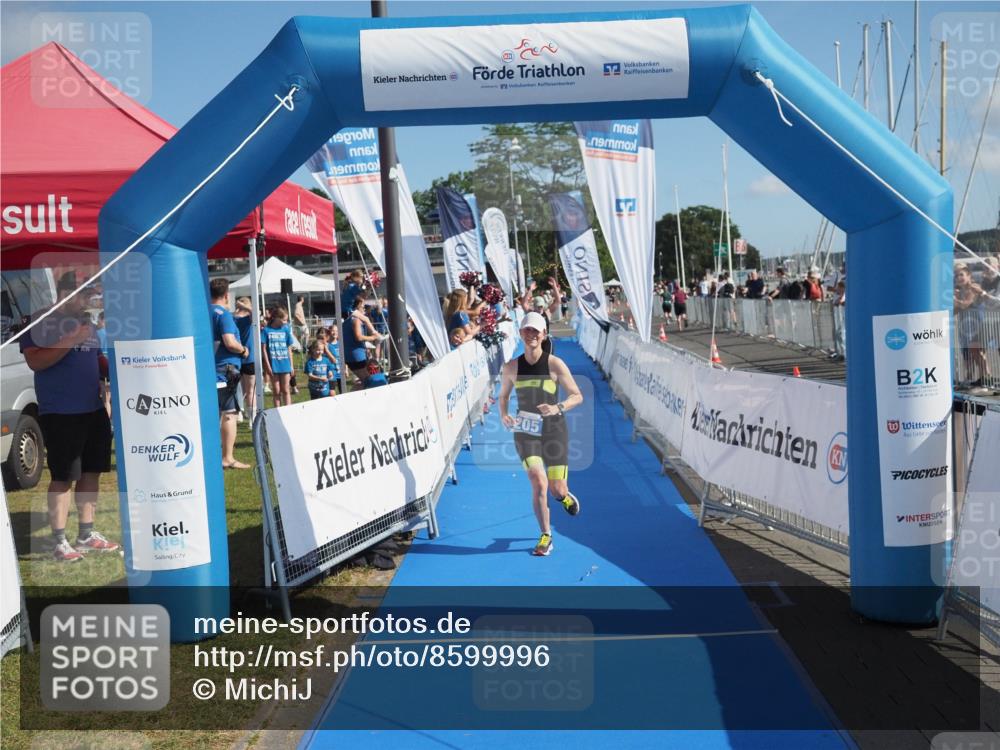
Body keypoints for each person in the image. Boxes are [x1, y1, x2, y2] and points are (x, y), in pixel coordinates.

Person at [20, 272, 120, 560]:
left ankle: (86, 534)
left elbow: (95, 359)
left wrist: (114, 368)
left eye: (91, 295)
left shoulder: (86, 323)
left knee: (91, 472)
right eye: (84, 294)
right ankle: (59, 542)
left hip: (93, 409)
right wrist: (73, 337)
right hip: (62, 413)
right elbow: (36, 361)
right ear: (64, 294)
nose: (89, 300)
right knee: (63, 476)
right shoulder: (40, 321)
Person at [498, 312, 583, 557]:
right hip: (526, 431)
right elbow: (502, 396)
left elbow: (577, 395)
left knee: (556, 489)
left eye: (536, 331)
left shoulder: (555, 364)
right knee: (538, 480)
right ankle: (546, 535)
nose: (532, 335)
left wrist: (557, 407)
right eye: (527, 330)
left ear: (544, 334)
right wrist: (504, 414)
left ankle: (564, 496)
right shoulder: (512, 367)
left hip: (554, 430)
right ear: (521, 334)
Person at [210, 279, 251, 469]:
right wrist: (243, 350)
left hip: (210, 368)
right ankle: (227, 457)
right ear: (226, 295)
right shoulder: (223, 315)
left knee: (213, 413)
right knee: (229, 413)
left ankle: (214, 455)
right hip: (225, 370)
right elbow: (229, 342)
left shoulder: (203, 312)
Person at [342, 292, 385, 386]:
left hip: (352, 356)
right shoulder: (356, 320)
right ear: (357, 307)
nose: (364, 308)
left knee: (365, 381)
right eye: (363, 306)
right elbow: (359, 337)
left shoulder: (348, 320)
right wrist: (373, 337)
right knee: (367, 381)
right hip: (357, 356)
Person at [262, 306, 295, 407]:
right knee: (276, 391)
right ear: (276, 318)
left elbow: (289, 348)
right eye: (284, 319)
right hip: (273, 365)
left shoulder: (285, 329)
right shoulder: (266, 330)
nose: (286, 322)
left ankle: (288, 411)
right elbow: (263, 349)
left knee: (285, 389)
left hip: (285, 363)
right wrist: (268, 366)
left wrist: (291, 365)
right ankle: (277, 411)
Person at [233, 296, 257, 420]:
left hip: (237, 357)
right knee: (250, 390)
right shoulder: (248, 319)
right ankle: (251, 417)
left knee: (241, 389)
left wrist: (238, 307)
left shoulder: (232, 318)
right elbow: (255, 312)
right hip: (248, 358)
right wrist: (244, 307)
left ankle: (241, 413)